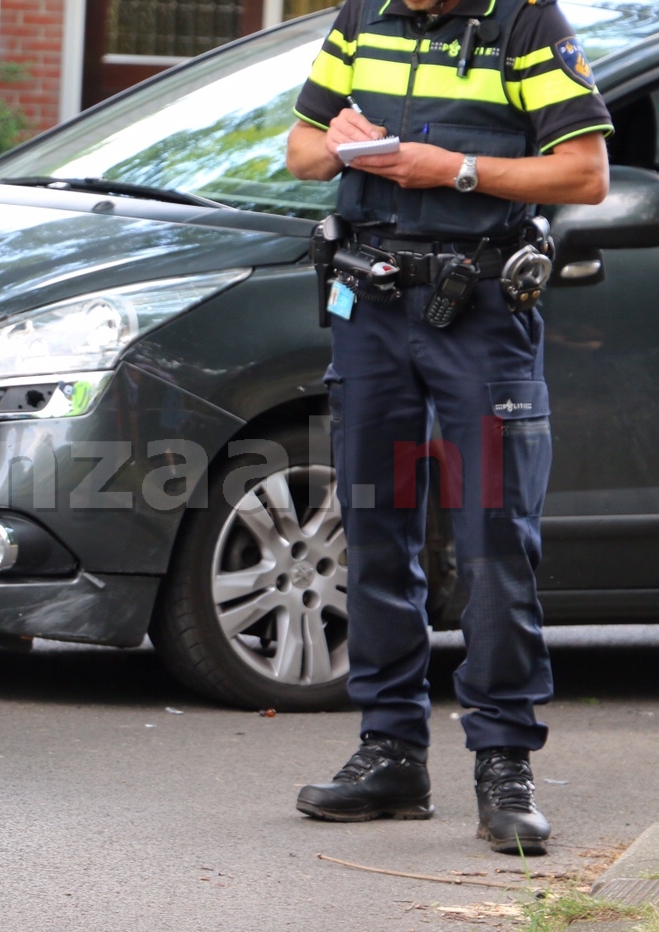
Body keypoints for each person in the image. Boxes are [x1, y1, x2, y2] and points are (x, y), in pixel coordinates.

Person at [284, 0, 612, 855]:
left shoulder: (529, 23)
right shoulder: (364, 16)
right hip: (370, 302)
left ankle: (504, 764)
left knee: (495, 537)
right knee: (376, 529)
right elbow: (300, 153)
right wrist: (341, 145)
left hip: (483, 308)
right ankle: (390, 751)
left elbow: (585, 174)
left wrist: (454, 169)